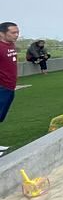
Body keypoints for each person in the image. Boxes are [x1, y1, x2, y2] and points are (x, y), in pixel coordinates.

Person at [0, 23, 20, 153]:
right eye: (13, 32)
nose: (16, 35)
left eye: (17, 32)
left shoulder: (11, 45)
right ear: (2, 33)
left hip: (9, 87)